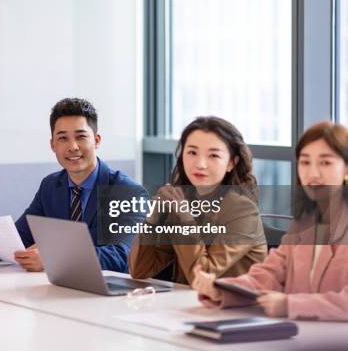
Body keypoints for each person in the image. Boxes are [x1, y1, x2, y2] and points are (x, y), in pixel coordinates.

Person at [192, 121, 348, 321]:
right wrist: (220, 290)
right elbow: (268, 276)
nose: (312, 173)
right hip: (299, 337)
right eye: (305, 162)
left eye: (325, 163)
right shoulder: (304, 223)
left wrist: (290, 305)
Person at [14, 98, 148, 273]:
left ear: (97, 140)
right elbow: (21, 236)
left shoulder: (126, 192)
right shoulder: (51, 186)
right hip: (62, 289)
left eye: (81, 137)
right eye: (63, 138)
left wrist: (55, 258)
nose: (73, 146)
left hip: (110, 294)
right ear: (53, 145)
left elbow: (123, 255)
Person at [129, 116, 267, 284]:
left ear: (231, 162)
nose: (200, 164)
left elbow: (202, 276)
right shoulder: (183, 200)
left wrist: (185, 219)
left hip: (235, 308)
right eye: (192, 152)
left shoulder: (244, 211)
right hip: (187, 304)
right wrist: (153, 216)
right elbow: (140, 270)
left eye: (214, 155)